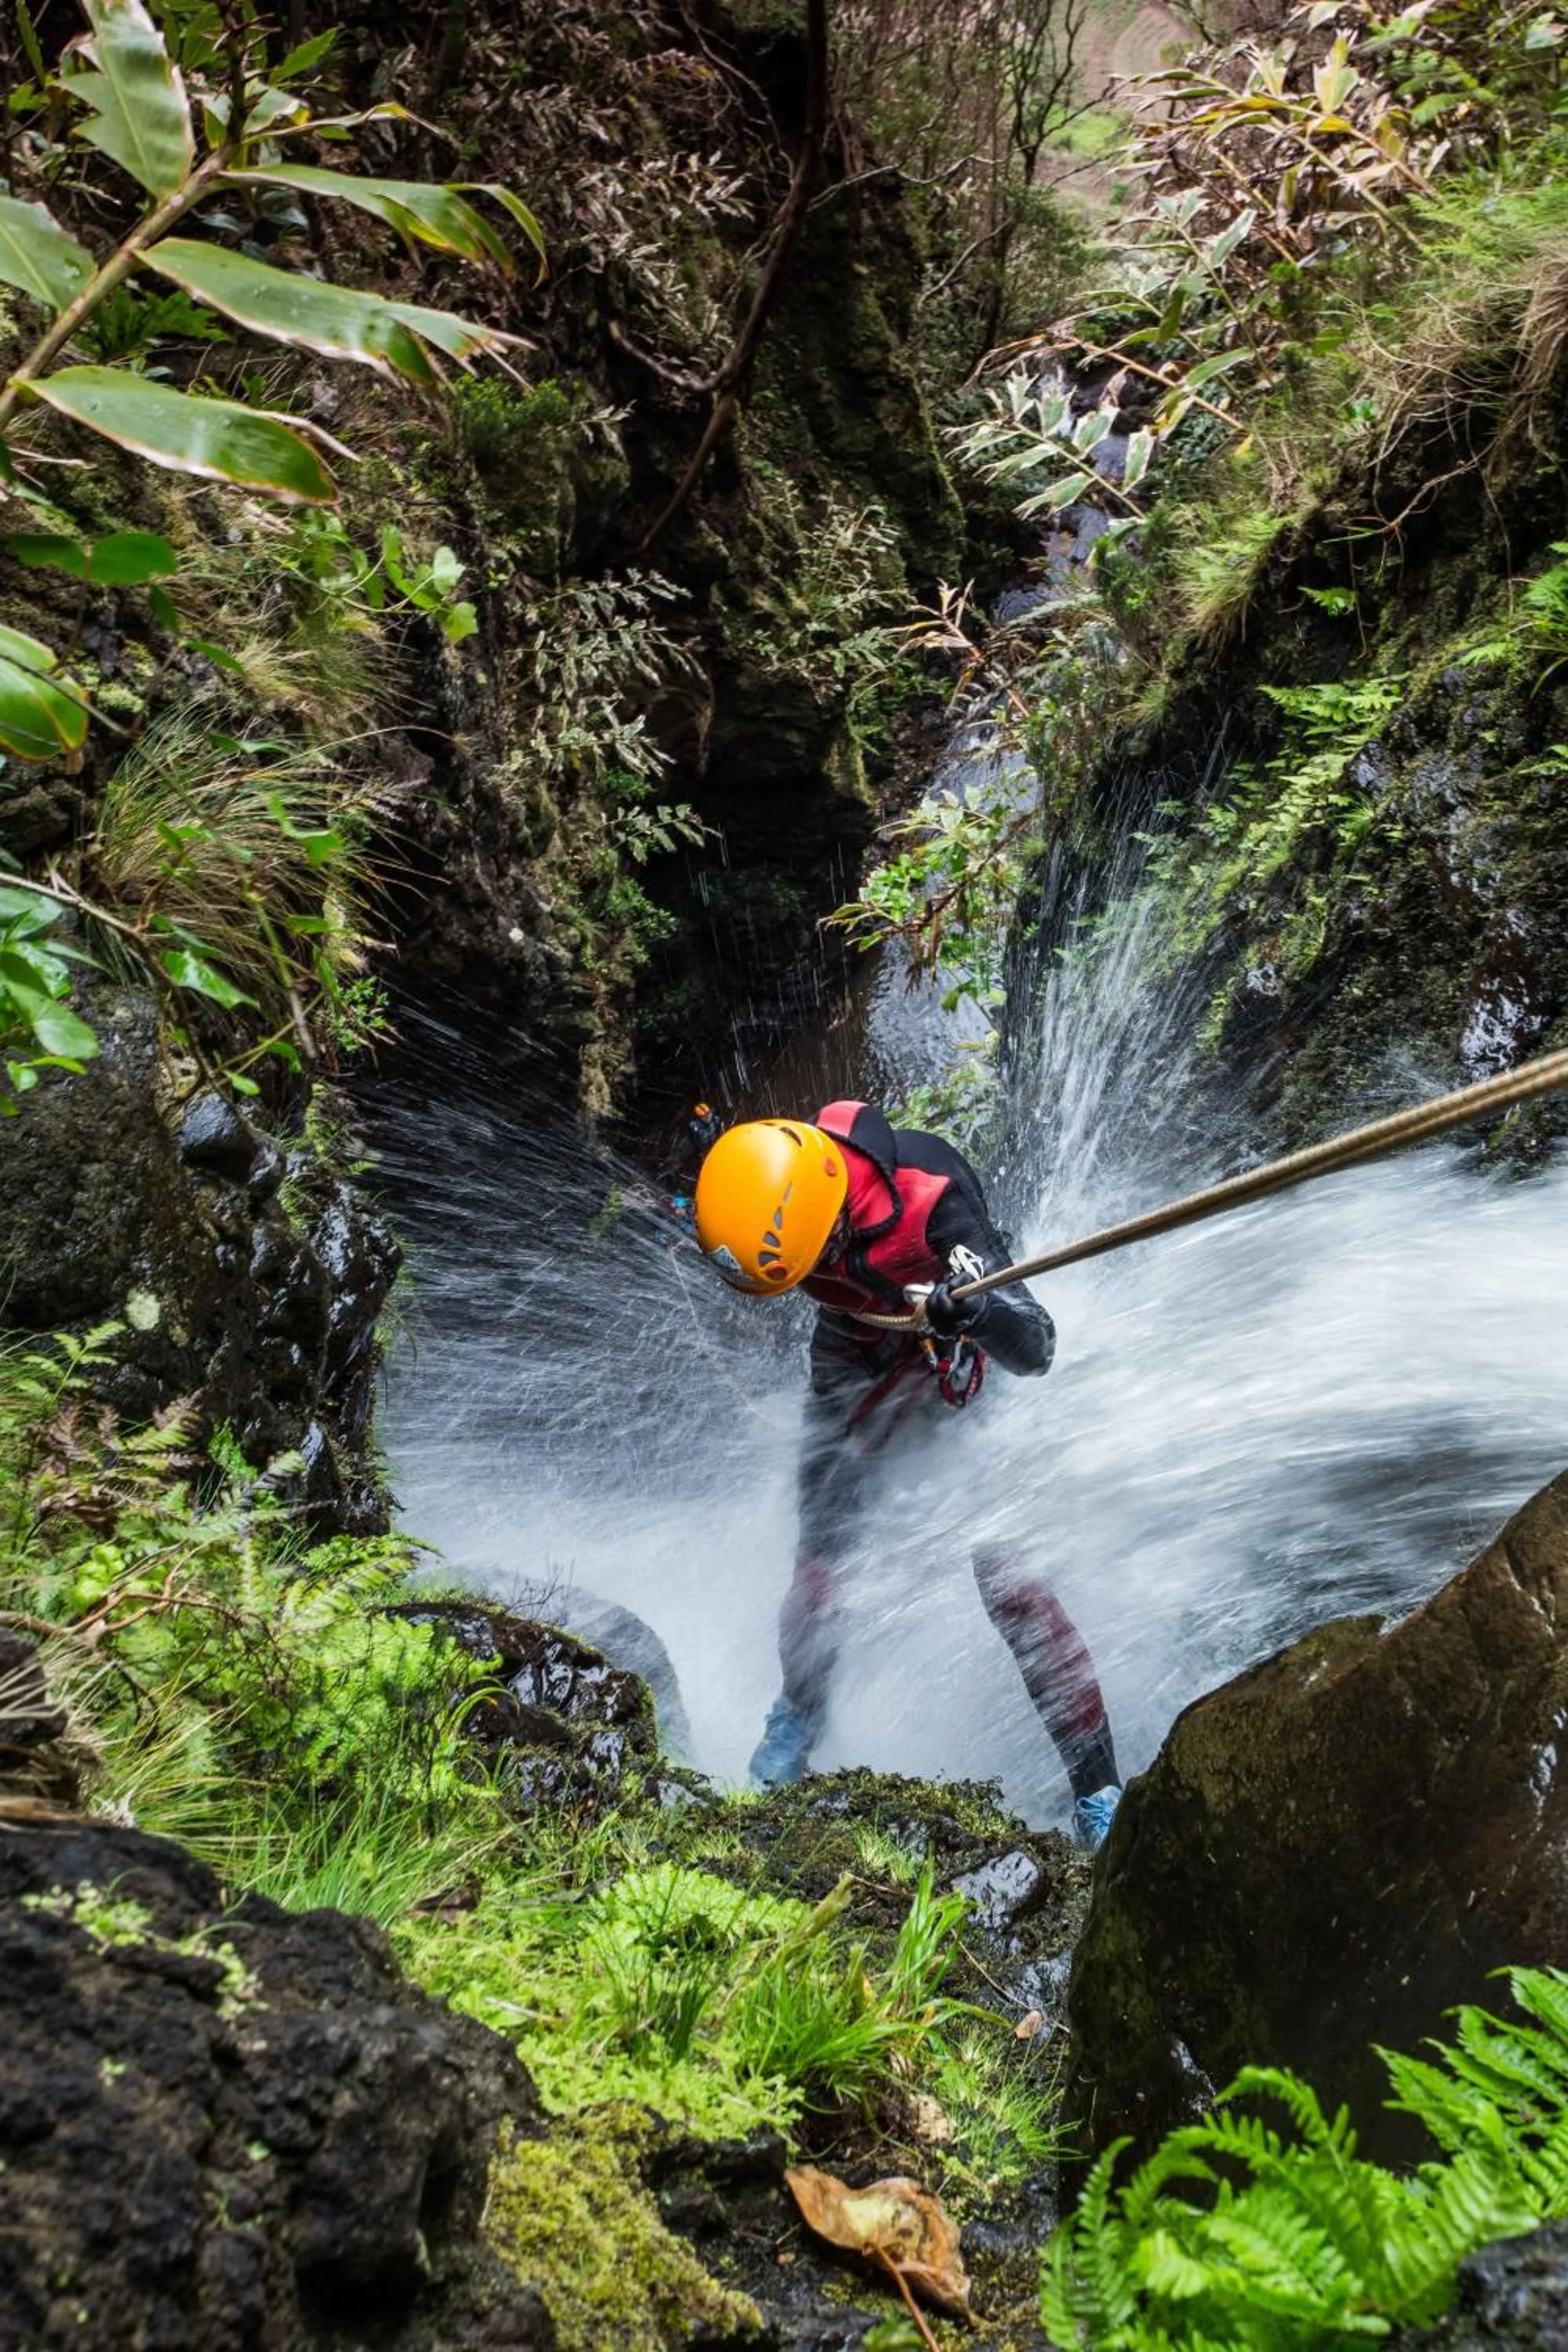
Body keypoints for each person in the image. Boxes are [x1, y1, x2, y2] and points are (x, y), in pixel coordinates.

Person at [692, 1099, 1123, 1852]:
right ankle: (796, 1718)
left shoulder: (935, 1202)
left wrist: (975, 1311)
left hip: (953, 1362)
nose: (817, 1272)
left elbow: (1037, 1344)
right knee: (822, 1563)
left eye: (817, 1259)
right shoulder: (778, 1175)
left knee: (1010, 1581)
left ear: (828, 1217)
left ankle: (1098, 1792)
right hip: (852, 1359)